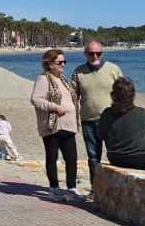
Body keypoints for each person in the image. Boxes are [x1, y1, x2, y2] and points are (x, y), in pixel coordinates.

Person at [30, 48, 84, 202]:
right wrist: (55, 107)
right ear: (50, 64)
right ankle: (54, 189)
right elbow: (36, 99)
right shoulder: (43, 79)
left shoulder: (64, 80)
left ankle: (71, 189)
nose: (63, 65)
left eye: (64, 62)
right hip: (52, 126)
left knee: (71, 159)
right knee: (52, 158)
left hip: (69, 126)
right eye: (59, 62)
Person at [71, 40, 123, 194]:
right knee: (93, 157)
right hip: (88, 121)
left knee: (115, 155)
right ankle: (95, 190)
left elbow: (124, 93)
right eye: (91, 53)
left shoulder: (113, 69)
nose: (95, 56)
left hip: (112, 120)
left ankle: (116, 190)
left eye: (98, 53)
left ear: (102, 53)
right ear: (85, 54)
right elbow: (73, 97)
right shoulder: (78, 72)